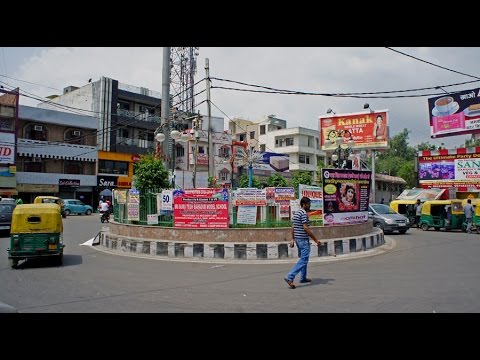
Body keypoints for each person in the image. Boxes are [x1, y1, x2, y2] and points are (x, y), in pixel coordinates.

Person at [284, 197, 321, 289]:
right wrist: (316, 239)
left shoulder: (297, 213)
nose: (309, 206)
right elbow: (305, 228)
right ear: (304, 204)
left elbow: (293, 227)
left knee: (304, 259)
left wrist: (292, 239)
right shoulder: (304, 213)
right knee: (304, 260)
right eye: (308, 204)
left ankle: (303, 277)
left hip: (298, 239)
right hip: (303, 240)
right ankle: (290, 277)